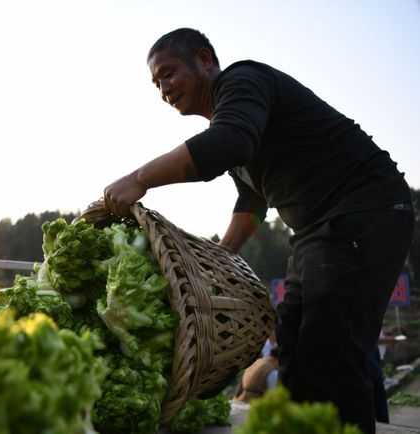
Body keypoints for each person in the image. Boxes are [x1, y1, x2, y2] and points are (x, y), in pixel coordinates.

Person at [102, 27, 414, 434]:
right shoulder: (235, 122)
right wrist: (221, 256)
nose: (163, 88)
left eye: (169, 72)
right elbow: (252, 202)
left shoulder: (243, 81)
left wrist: (140, 178)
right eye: (156, 83)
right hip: (315, 231)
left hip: (362, 209)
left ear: (205, 60)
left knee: (331, 350)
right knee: (296, 347)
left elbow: (228, 143)